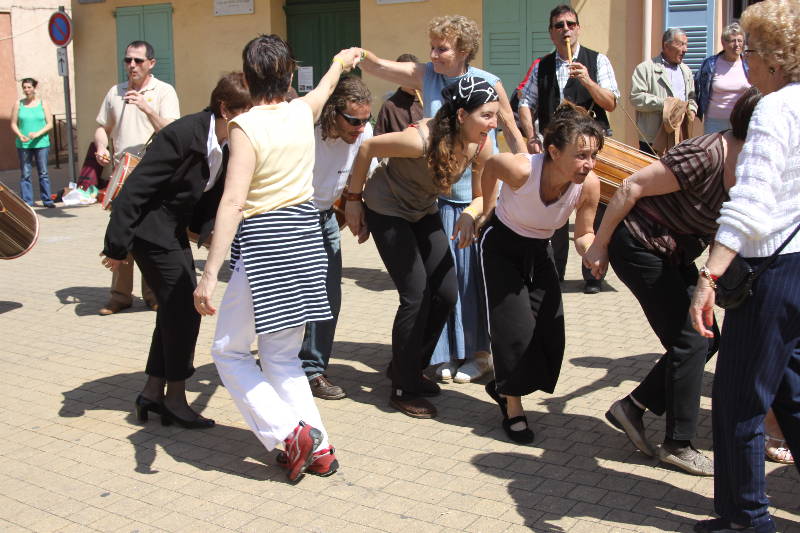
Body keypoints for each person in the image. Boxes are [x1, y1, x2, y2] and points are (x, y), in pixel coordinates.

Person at [193, 36, 361, 482]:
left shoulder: (245, 127)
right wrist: (340, 60)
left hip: (267, 245)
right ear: (288, 76)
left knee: (228, 351)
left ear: (247, 79)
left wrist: (208, 277)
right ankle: (320, 450)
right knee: (283, 358)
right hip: (307, 241)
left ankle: (289, 435)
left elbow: (231, 204)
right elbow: (325, 87)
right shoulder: (300, 111)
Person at [582, 87, 762, 476]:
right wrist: (599, 244)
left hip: (674, 251)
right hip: (637, 245)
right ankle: (677, 443)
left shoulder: (749, 163)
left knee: (702, 338)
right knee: (693, 338)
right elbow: (632, 187)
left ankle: (631, 408)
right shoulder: (705, 154)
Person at [359, 15, 525, 383]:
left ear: (464, 50)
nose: (433, 54)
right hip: (435, 197)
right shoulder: (427, 76)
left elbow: (511, 131)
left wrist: (526, 171)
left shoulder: (487, 83)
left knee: (469, 282)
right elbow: (380, 66)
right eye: (431, 46)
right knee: (442, 284)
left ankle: (479, 354)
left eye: (442, 47)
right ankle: (445, 354)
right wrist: (357, 55)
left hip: (474, 196)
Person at [689, 1, 800, 531]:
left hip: (771, 272)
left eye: (751, 51)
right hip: (797, 269)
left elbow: (751, 203)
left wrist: (708, 275)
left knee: (738, 404)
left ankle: (748, 521)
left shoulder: (775, 110)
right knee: (790, 393)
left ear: (777, 60)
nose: (743, 60)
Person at [100, 72, 251, 429]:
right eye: (248, 112)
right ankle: (176, 398)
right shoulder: (183, 134)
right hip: (150, 232)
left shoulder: (229, 144)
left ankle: (153, 391)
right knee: (186, 307)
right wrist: (116, 247)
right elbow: (135, 191)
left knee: (175, 307)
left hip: (172, 232)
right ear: (225, 108)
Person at [343, 76, 497, 417]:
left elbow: (482, 196)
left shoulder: (481, 144)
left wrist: (471, 215)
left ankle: (407, 366)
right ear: (461, 116)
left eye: (495, 115)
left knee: (445, 291)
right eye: (486, 115)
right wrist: (353, 200)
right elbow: (368, 149)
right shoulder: (420, 140)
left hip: (422, 209)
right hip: (387, 208)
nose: (493, 122)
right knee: (416, 295)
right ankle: (402, 388)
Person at [477, 103, 603, 444]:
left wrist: (594, 252)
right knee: (513, 331)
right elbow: (490, 166)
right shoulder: (521, 170)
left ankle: (502, 385)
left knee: (550, 333)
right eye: (580, 155)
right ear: (553, 151)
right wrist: (485, 206)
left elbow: (585, 233)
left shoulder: (588, 185)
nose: (588, 164)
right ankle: (512, 405)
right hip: (502, 246)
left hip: (539, 250)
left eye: (593, 156)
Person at [517, 4, 620, 293]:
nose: (566, 30)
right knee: (556, 210)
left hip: (590, 148)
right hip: (558, 151)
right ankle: (555, 273)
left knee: (593, 211)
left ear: (578, 28)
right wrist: (531, 135)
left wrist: (587, 79)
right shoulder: (542, 66)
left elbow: (611, 103)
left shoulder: (598, 61)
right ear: (551, 33)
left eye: (571, 24)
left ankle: (593, 275)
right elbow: (526, 103)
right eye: (559, 25)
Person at [298, 75, 375, 400]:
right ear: (333, 112)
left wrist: (357, 207)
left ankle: (312, 369)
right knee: (294, 297)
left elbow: (363, 173)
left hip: (326, 215)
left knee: (328, 297)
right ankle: (282, 364)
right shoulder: (307, 131)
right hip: (293, 217)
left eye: (365, 120)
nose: (360, 127)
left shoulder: (364, 134)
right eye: (353, 120)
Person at [94, 40, 181, 316]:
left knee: (152, 233)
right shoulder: (114, 92)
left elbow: (173, 131)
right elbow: (102, 128)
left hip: (155, 176)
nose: (132, 65)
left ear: (151, 64)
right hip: (123, 174)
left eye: (138, 61)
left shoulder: (164, 92)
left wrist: (147, 108)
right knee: (121, 231)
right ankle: (120, 295)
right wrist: (100, 146)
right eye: (128, 60)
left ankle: (153, 293)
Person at [631, 28, 697, 156]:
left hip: (679, 137)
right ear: (666, 46)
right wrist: (666, 104)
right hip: (652, 139)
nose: (685, 50)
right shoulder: (645, 68)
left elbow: (691, 95)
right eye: (681, 44)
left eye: (686, 44)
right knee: (651, 174)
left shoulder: (686, 71)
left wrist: (692, 108)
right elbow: (636, 98)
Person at [695, 23, 750, 134]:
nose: (737, 45)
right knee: (714, 151)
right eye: (732, 41)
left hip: (742, 121)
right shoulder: (710, 64)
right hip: (715, 122)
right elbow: (698, 88)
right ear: (723, 43)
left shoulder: (749, 64)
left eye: (740, 41)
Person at [10, 78, 54, 208]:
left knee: (43, 173)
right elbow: (13, 123)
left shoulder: (43, 104)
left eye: (29, 87)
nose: (26, 90)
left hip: (41, 143)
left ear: (35, 88)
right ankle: (27, 201)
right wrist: (19, 135)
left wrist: (37, 134)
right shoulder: (19, 104)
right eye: (24, 87)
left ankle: (47, 200)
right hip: (23, 144)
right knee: (25, 173)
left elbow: (50, 124)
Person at [373, 54, 423, 135]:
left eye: (416, 77)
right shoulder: (389, 106)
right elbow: (379, 139)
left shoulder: (428, 101)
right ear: (398, 77)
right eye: (408, 77)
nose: (413, 82)